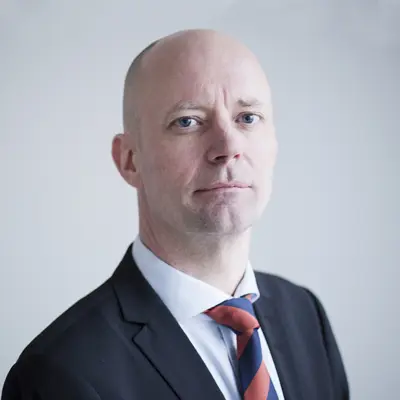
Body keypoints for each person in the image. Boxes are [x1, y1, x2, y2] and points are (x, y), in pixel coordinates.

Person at [1, 29, 349, 400]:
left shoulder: (305, 315)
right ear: (130, 160)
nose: (228, 145)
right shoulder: (59, 374)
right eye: (188, 121)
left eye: (248, 118)